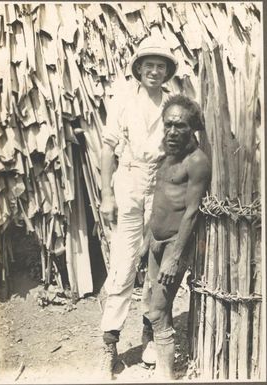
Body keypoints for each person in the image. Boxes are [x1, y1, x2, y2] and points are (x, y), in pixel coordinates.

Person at [99, 35, 178, 379]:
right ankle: (109, 343)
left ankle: (149, 334)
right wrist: (106, 195)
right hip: (128, 181)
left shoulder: (173, 104)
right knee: (123, 263)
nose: (155, 72)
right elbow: (107, 149)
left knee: (155, 263)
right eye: (150, 66)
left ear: (166, 72)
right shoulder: (123, 101)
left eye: (161, 67)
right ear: (139, 69)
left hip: (159, 186)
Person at [137, 94, 211, 380]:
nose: (171, 132)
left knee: (156, 310)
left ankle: (165, 375)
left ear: (192, 127)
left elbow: (191, 212)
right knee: (159, 309)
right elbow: (158, 201)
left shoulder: (197, 162)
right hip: (156, 240)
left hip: (174, 246)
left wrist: (175, 257)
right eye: (168, 125)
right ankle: (163, 370)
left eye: (179, 126)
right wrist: (146, 241)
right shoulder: (167, 155)